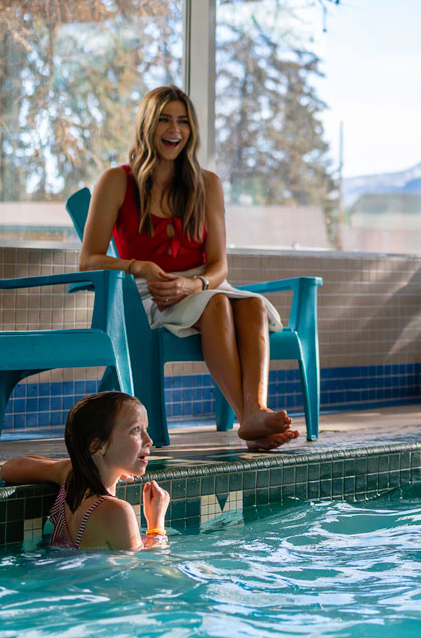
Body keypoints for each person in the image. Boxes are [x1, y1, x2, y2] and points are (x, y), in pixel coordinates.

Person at [80, 85, 297, 452]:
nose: (174, 129)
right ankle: (249, 420)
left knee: (253, 304)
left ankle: (255, 410)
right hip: (149, 292)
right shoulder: (116, 181)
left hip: (202, 285)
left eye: (183, 121)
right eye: (164, 119)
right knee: (216, 304)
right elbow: (89, 260)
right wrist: (140, 267)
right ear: (147, 125)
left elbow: (219, 265)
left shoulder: (207, 183)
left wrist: (195, 284)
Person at [0, 391, 171, 551]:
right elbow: (144, 571)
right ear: (97, 446)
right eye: (135, 430)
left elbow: (8, 469)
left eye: (146, 429)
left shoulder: (70, 476)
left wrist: (97, 464)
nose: (149, 440)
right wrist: (156, 525)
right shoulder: (117, 512)